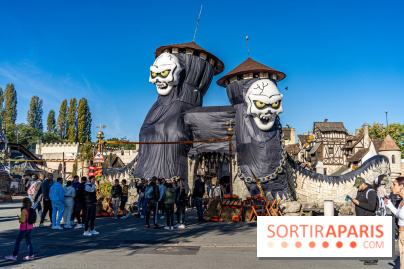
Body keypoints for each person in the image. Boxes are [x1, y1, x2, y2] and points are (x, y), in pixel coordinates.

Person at [351, 177, 378, 266]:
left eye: (358, 186)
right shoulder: (360, 191)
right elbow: (360, 201)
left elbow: (372, 206)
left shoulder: (371, 192)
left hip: (369, 217)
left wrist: (358, 203)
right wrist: (354, 201)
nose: (357, 188)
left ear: (363, 184)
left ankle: (373, 258)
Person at [384, 177, 404, 269]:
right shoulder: (401, 202)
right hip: (401, 235)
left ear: (401, 186)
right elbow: (399, 214)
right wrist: (389, 205)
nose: (392, 187)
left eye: (394, 185)